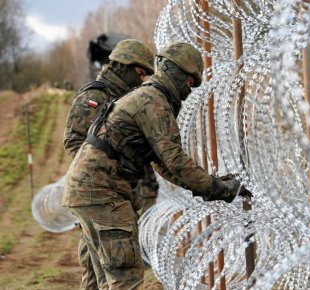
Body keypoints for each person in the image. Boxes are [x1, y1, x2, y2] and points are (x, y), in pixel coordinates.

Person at [62, 42, 247, 289]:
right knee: (125, 277)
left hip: (93, 193)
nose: (188, 89)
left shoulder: (147, 96)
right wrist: (220, 189)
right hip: (104, 194)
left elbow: (163, 164)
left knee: (103, 281)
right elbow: (175, 160)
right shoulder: (154, 101)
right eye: (189, 80)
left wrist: (214, 185)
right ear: (172, 70)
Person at [63, 38, 157, 290]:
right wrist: (105, 171)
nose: (141, 80)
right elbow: (73, 142)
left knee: (105, 274)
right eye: (139, 73)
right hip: (98, 196)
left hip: (116, 195)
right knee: (99, 274)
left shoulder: (126, 98)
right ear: (123, 66)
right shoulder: (96, 95)